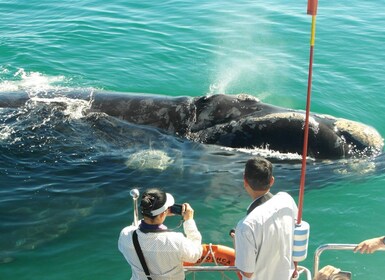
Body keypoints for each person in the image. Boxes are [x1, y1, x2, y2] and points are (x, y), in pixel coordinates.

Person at [233, 157, 298, 280]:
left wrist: (236, 240)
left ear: (245, 181)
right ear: (272, 181)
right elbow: (298, 233)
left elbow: (247, 272)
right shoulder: (286, 200)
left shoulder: (245, 226)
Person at [118, 188, 202, 280]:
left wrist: (162, 213)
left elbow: (136, 227)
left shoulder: (125, 235)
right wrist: (189, 221)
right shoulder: (176, 241)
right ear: (163, 214)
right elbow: (195, 255)